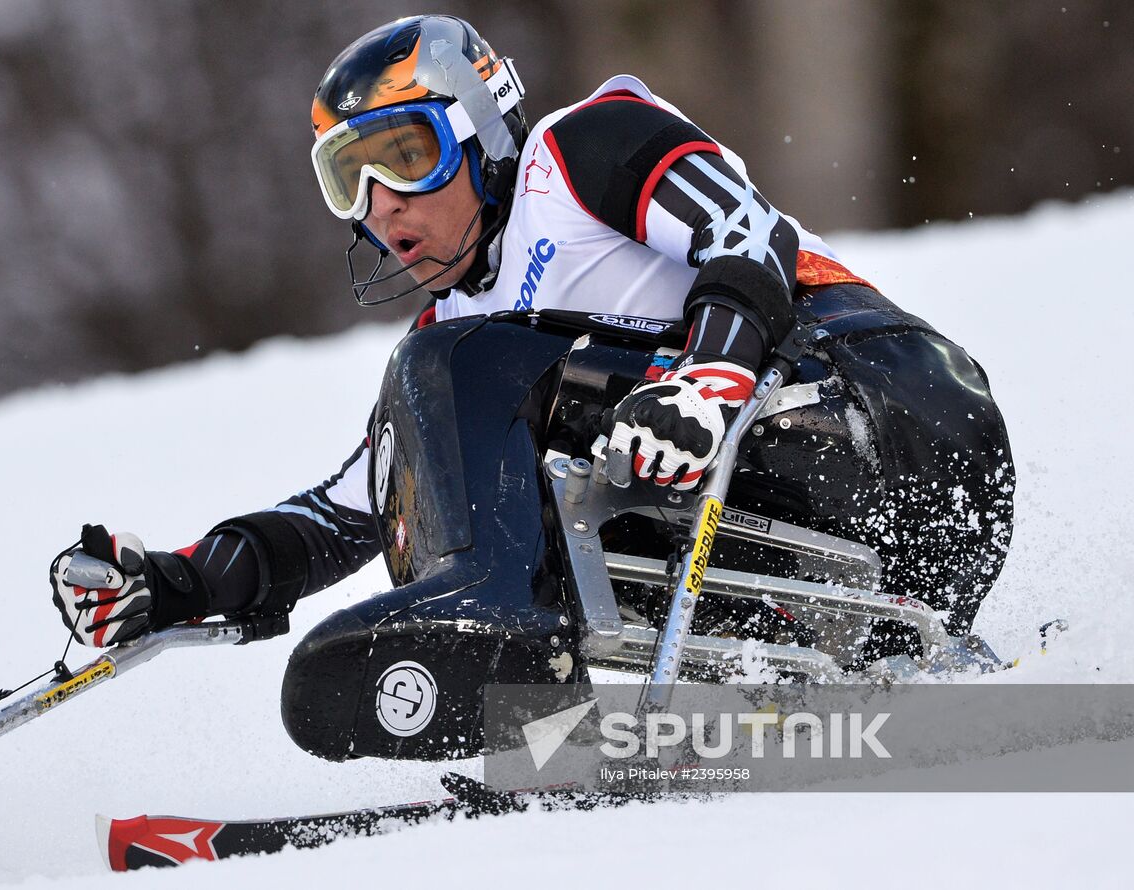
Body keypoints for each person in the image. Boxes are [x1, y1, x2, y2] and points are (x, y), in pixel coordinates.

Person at [49, 15, 1013, 758]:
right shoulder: (462, 341)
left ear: (482, 134)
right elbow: (357, 508)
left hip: (899, 412)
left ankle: (503, 631)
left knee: (453, 379)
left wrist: (708, 379)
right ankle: (715, 690)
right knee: (437, 458)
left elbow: (753, 236)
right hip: (835, 550)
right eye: (350, 180)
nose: (383, 208)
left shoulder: (579, 152)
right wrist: (180, 580)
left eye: (408, 157)